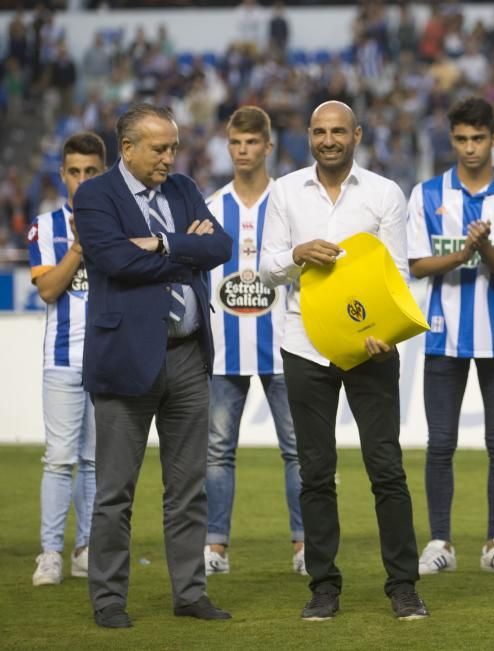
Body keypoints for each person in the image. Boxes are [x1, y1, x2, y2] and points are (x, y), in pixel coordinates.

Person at [259, 100, 428, 622]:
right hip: (304, 347)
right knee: (315, 472)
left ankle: (403, 586)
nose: (328, 140)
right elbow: (265, 271)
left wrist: (382, 332)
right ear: (308, 136)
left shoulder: (384, 193)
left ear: (356, 135)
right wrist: (296, 255)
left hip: (371, 349)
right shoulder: (284, 190)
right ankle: (324, 587)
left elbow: (395, 274)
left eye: (338, 132)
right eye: (319, 132)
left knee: (386, 469)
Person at [73, 103, 234, 628]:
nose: (171, 157)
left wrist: (165, 242)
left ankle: (190, 593)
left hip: (188, 355)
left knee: (188, 488)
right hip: (125, 360)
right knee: (115, 492)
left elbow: (222, 246)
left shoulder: (185, 188)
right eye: (160, 148)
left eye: (173, 147)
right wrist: (187, 250)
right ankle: (109, 601)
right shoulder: (95, 196)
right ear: (128, 149)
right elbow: (116, 261)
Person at [405, 97, 494, 576]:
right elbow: (417, 265)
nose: (469, 148)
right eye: (461, 139)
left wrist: (482, 248)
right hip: (442, 337)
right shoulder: (425, 195)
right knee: (440, 443)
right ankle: (440, 541)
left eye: (478, 138)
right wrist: (463, 254)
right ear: (451, 139)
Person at [203, 106, 305, 577]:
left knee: (297, 450)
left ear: (268, 146)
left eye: (251, 143)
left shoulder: (288, 203)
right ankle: (215, 546)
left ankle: (304, 546)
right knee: (218, 450)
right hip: (225, 350)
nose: (242, 151)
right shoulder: (210, 207)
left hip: (284, 347)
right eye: (235, 143)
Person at [26, 132, 105, 587]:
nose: (81, 180)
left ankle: (86, 548)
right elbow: (50, 289)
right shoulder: (46, 226)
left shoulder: (119, 222)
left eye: (90, 172)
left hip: (106, 360)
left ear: (103, 172)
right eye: (73, 172)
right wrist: (79, 246)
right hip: (62, 359)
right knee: (58, 458)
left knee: (94, 462)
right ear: (62, 174)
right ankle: (50, 553)